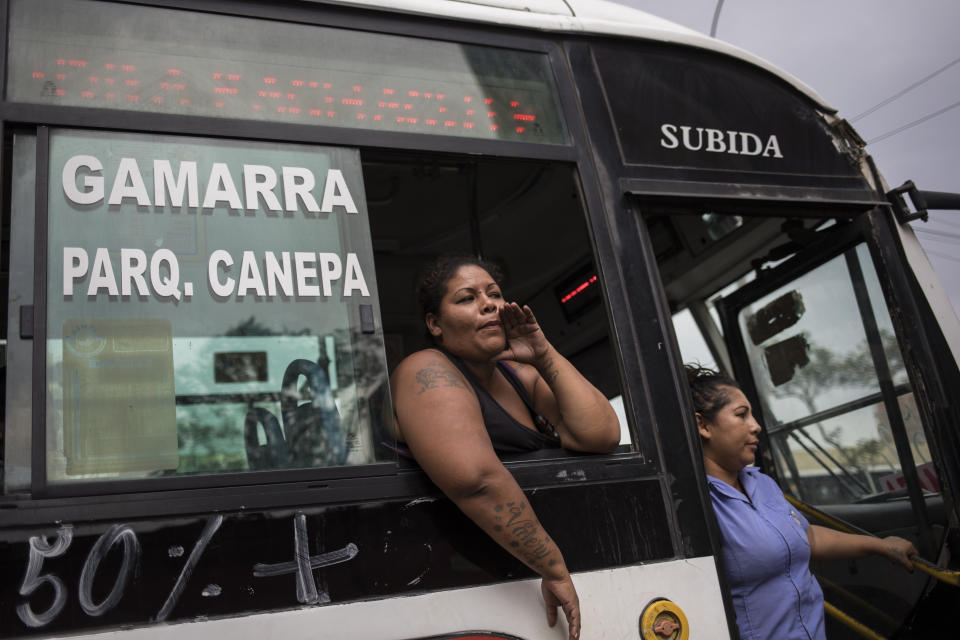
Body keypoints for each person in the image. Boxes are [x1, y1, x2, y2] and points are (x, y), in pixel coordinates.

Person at [390, 255, 621, 640]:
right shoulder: (425, 369)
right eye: (467, 298)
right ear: (435, 323)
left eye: (495, 294)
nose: (490, 304)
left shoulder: (519, 377)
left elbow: (601, 434)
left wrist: (543, 352)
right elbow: (476, 480)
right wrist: (553, 568)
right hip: (468, 580)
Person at [685, 364, 918, 640]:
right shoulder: (698, 505)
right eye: (741, 415)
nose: (756, 425)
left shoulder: (762, 484)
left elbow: (806, 537)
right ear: (703, 425)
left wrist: (880, 546)